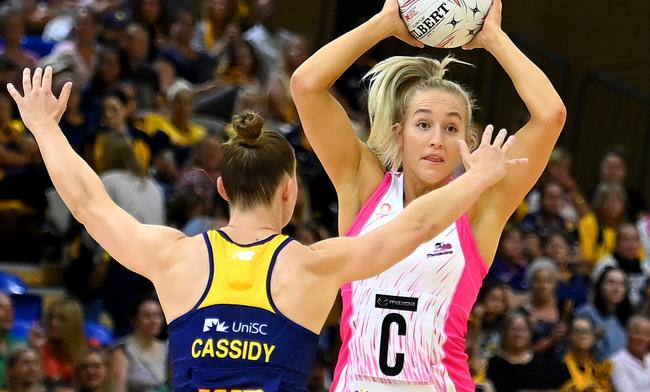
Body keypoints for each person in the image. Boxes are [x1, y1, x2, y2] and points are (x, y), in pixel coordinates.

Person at [7, 66, 525, 391]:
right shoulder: (313, 266)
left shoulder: (175, 257)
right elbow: (417, 225)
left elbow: (90, 206)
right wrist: (475, 179)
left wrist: (47, 130)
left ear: (223, 190)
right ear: (289, 191)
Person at [290, 0, 566, 391]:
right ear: (399, 133)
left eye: (452, 129)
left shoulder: (481, 202)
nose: (437, 139)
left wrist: (493, 37)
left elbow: (550, 115)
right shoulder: (364, 184)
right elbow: (306, 85)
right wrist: (384, 23)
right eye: (423, 124)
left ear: (469, 142)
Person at [610, 314, 650, 391]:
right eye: (637, 333)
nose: (642, 338)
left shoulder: (648, 358)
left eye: (647, 334)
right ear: (627, 333)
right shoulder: (616, 362)